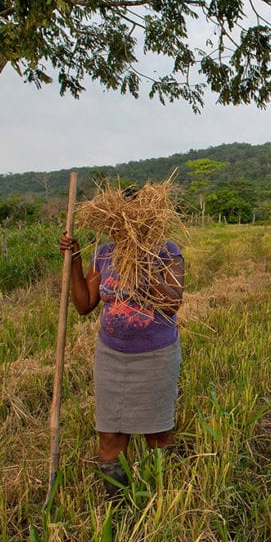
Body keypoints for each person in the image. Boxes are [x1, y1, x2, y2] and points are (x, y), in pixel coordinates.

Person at [58, 193, 184, 498]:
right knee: (110, 435)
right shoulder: (103, 254)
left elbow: (172, 304)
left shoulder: (166, 252)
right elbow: (84, 304)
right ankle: (117, 507)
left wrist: (141, 265)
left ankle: (159, 504)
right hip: (111, 357)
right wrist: (74, 260)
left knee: (158, 433)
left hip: (156, 357)